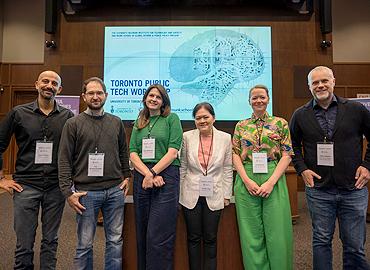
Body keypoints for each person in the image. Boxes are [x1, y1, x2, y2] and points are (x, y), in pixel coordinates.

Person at [289, 66, 370, 270]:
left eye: (324, 80)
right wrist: (302, 169)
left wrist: (367, 165)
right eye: (315, 83)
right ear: (309, 87)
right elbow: (292, 146)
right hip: (319, 190)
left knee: (354, 245)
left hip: (354, 189)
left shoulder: (356, 109)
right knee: (321, 241)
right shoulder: (300, 115)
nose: (320, 85)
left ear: (333, 81)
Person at [0, 70, 74, 269]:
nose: (49, 85)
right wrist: (1, 179)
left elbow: (74, 151)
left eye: (54, 83)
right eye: (45, 81)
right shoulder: (18, 113)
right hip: (25, 186)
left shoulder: (68, 116)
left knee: (51, 241)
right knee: (24, 243)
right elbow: (0, 143)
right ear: (36, 84)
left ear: (60, 89)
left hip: (55, 187)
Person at [58, 77, 131, 269]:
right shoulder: (73, 124)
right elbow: (64, 159)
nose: (95, 96)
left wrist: (127, 176)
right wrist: (68, 192)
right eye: (91, 93)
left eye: (99, 93)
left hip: (115, 191)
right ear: (84, 97)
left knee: (115, 242)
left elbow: (123, 152)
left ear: (106, 95)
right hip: (86, 193)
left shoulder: (116, 122)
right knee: (84, 244)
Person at [232, 84, 293, 270]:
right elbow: (234, 154)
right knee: (251, 232)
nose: (258, 100)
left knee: (277, 231)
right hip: (247, 176)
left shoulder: (280, 123)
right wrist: (246, 180)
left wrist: (270, 182)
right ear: (249, 101)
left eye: (262, 97)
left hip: (273, 177)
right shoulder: (241, 125)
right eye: (254, 98)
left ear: (268, 99)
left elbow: (287, 154)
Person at [129, 84, 183, 270]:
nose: (153, 99)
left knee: (158, 236)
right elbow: (133, 152)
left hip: (166, 174)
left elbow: (173, 151)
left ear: (163, 102)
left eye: (158, 97)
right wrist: (147, 174)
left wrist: (153, 173)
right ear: (145, 98)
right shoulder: (140, 121)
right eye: (151, 95)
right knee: (142, 233)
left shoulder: (171, 119)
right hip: (142, 176)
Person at [179, 102, 233, 270]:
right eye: (198, 118)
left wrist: (226, 195)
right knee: (193, 238)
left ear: (213, 118)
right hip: (190, 194)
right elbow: (183, 167)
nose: (202, 120)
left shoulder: (225, 138)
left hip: (215, 194)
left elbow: (227, 168)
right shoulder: (186, 137)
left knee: (210, 238)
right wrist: (180, 193)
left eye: (205, 117)